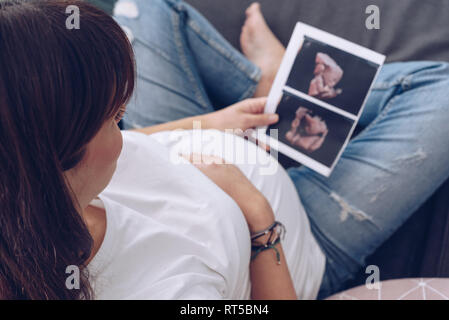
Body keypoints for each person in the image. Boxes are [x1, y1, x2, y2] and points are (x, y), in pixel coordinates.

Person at [1, 0, 448, 300]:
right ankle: (283, 93)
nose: (123, 117)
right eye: (113, 115)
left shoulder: (32, 177)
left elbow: (133, 146)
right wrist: (259, 221)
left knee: (149, 7)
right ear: (59, 156)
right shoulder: (168, 289)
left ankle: (273, 90)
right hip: (299, 236)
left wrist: (206, 125)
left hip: (212, 147)